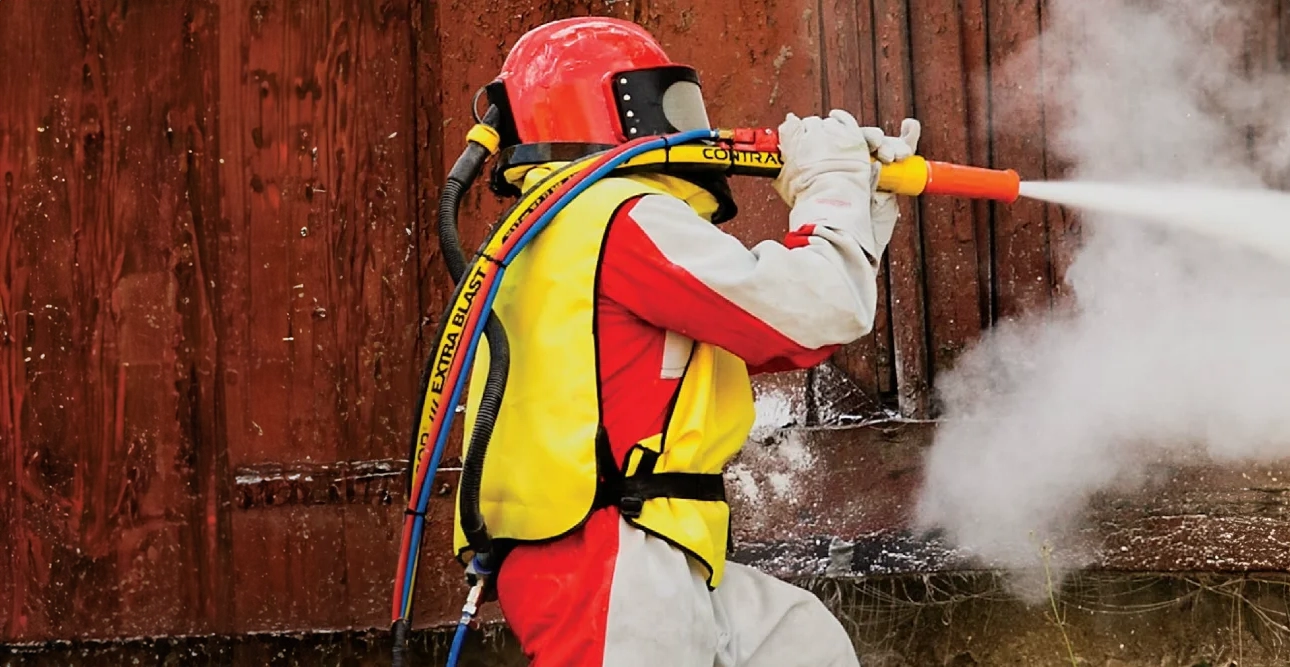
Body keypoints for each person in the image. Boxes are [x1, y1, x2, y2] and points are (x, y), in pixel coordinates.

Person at [451, 16, 920, 667]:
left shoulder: (553, 230)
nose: (687, 126)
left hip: (632, 547)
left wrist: (854, 209)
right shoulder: (615, 214)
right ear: (611, 105)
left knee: (800, 642)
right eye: (663, 100)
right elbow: (815, 309)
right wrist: (831, 189)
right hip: (608, 557)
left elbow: (771, 333)